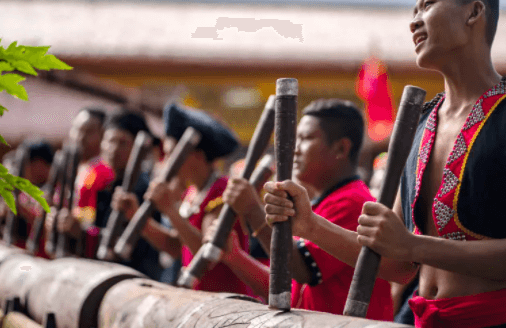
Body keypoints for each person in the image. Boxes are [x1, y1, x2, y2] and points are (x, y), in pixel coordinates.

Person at [264, 0, 506, 327]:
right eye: (413, 11)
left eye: (428, 5)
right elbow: (396, 264)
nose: (413, 22)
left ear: (474, 13)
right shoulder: (419, 124)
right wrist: (311, 225)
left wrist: (414, 246)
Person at [215, 99, 394, 320]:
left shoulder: (352, 202)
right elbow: (285, 289)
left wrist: (253, 210)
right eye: (295, 138)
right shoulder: (323, 201)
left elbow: (302, 268)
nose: (294, 149)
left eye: (306, 138)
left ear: (341, 148)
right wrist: (235, 256)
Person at [111, 103, 249, 293]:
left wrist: (170, 211)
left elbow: (208, 257)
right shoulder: (193, 192)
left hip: (224, 303)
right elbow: (176, 246)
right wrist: (136, 216)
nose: (166, 162)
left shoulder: (222, 192)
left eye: (171, 154)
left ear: (198, 155)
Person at [52, 109, 163, 279]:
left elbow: (131, 247)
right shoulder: (105, 184)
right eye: (109, 140)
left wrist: (81, 233)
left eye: (122, 143)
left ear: (138, 148)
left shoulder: (144, 189)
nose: (113, 149)